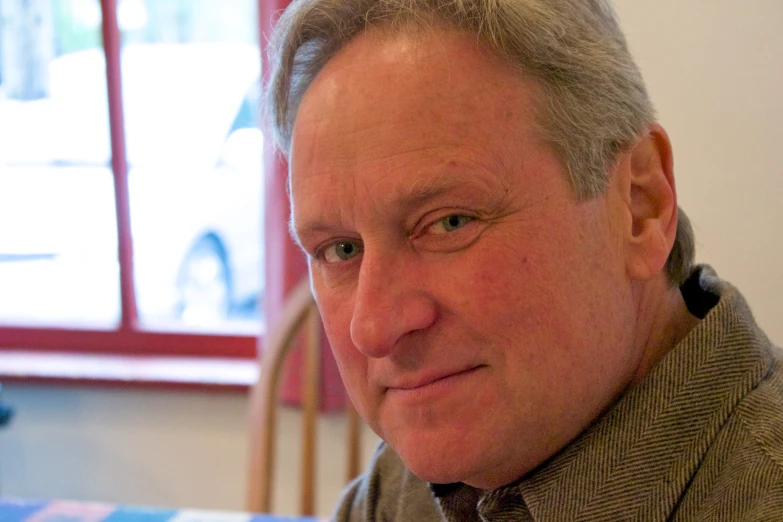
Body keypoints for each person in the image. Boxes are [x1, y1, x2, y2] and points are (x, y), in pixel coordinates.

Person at [266, 0, 783, 519]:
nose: (373, 328)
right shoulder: (405, 490)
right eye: (341, 249)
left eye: (450, 222)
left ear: (639, 206)